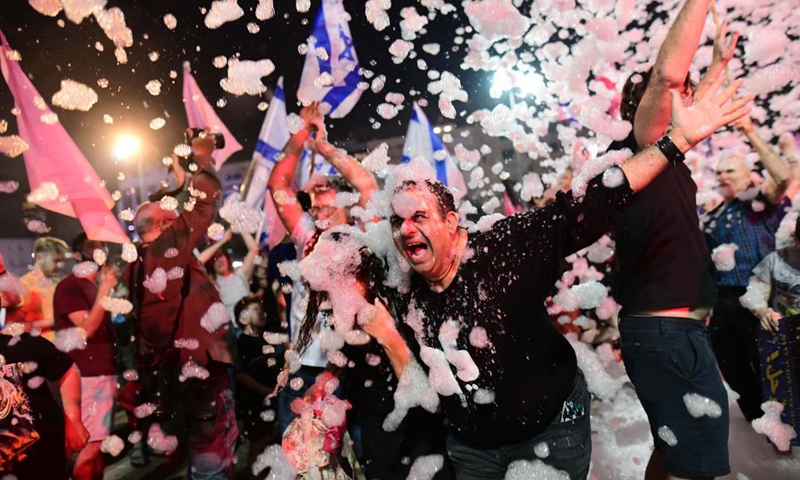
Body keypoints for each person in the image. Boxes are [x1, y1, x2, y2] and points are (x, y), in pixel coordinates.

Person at [388, 75, 751, 480]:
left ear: (451, 221)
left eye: (418, 216)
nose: (406, 229)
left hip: (550, 429)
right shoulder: (400, 282)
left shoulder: (504, 247)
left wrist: (676, 140)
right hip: (472, 447)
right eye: (397, 221)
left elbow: (593, 204)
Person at [609, 2, 739, 478]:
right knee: (696, 463)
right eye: (678, 95)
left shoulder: (665, 157)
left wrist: (717, 66)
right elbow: (667, 78)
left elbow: (684, 100)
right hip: (667, 335)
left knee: (672, 450)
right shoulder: (640, 145)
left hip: (671, 334)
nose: (687, 98)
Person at [292, 229, 451, 479]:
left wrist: (386, 334)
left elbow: (422, 396)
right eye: (329, 284)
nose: (336, 293)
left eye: (342, 280)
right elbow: (345, 355)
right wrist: (323, 383)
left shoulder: (396, 302)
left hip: (418, 434)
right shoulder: (344, 308)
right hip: (375, 427)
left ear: (363, 272)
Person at [124, 131, 238, 478]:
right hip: (199, 375)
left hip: (179, 374)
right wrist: (202, 155)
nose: (180, 216)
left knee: (197, 458)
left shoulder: (138, 262)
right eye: (173, 217)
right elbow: (203, 204)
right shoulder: (165, 250)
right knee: (210, 461)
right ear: (163, 225)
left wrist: (179, 175)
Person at [268, 101, 378, 431]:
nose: (317, 201)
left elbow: (367, 185)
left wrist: (324, 147)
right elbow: (278, 185)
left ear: (344, 199)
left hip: (354, 364)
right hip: (306, 368)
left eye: (325, 190)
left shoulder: (362, 233)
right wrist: (302, 132)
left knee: (356, 451)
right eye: (314, 199)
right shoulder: (307, 234)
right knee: (302, 453)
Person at [701, 113, 792, 422]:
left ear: (747, 176)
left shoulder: (758, 204)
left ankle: (784, 425)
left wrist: (750, 132)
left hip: (762, 297)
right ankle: (761, 423)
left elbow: (782, 177)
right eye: (718, 171)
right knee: (732, 366)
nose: (722, 176)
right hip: (725, 301)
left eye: (730, 170)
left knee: (772, 366)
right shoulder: (712, 216)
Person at [53, 234, 118, 480]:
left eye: (102, 245)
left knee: (97, 446)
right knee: (88, 447)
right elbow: (86, 330)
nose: (98, 249)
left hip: (101, 373)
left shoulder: (92, 287)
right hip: (86, 375)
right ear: (77, 253)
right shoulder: (70, 286)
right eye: (91, 245)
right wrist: (105, 290)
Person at [234, 297, 285, 479]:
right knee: (258, 441)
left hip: (269, 396)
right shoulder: (243, 343)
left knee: (270, 438)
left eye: (262, 309)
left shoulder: (266, 337)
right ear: (243, 318)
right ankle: (254, 475)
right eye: (255, 310)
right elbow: (239, 374)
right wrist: (264, 389)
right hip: (253, 400)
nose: (261, 312)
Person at [743, 215, 800, 333]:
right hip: (786, 332)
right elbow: (754, 293)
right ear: (795, 238)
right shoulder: (776, 259)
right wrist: (764, 312)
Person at [5, 236, 69, 341]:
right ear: (39, 258)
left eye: (62, 261)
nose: (60, 266)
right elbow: (11, 327)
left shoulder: (59, 284)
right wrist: (53, 321)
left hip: (59, 344)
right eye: (56, 261)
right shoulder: (23, 285)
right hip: (36, 345)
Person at [200, 229, 260, 332]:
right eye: (214, 259)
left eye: (220, 256)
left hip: (252, 326)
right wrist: (222, 241)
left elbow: (254, 250)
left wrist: (240, 226)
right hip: (233, 331)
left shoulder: (240, 275)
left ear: (227, 258)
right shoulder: (214, 285)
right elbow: (199, 261)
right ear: (210, 265)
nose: (219, 260)